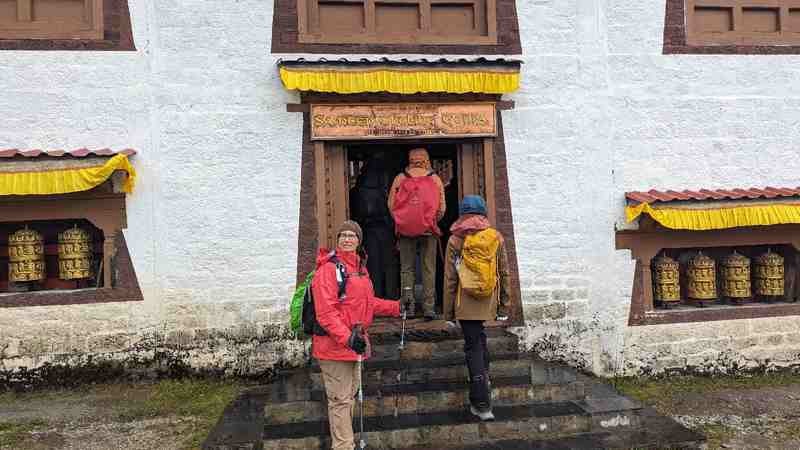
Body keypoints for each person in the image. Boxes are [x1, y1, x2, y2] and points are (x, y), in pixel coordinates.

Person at [312, 220, 401, 450]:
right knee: (340, 401)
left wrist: (396, 307)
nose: (347, 239)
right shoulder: (328, 269)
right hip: (334, 347)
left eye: (352, 235)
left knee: (348, 397)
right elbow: (326, 313)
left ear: (359, 241)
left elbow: (368, 303)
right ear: (338, 240)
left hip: (354, 344)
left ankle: (345, 444)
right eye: (343, 235)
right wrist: (348, 338)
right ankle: (344, 446)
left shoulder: (360, 269)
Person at [443, 195, 511, 421]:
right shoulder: (495, 237)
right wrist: (503, 306)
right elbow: (504, 273)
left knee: (472, 347)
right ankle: (486, 380)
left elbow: (451, 279)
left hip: (465, 302)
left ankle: (481, 403)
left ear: (462, 213)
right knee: (480, 339)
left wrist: (449, 313)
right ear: (484, 213)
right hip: (488, 299)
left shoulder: (455, 239)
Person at [388, 148, 446, 320]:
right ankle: (429, 308)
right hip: (429, 230)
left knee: (407, 269)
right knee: (429, 269)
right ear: (426, 159)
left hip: (405, 232)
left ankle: (408, 308)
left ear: (410, 159)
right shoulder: (435, 179)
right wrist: (431, 222)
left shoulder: (400, 178)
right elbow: (442, 207)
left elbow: (391, 205)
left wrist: (403, 222)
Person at [350, 152, 399, 299]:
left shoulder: (360, 183)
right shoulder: (388, 180)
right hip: (387, 228)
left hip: (369, 229)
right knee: (390, 265)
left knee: (373, 265)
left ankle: (375, 297)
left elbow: (355, 209)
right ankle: (391, 297)